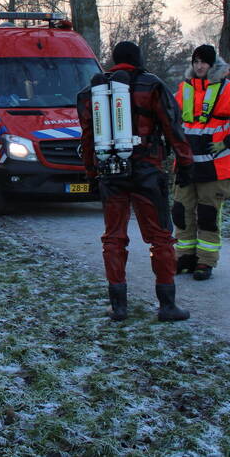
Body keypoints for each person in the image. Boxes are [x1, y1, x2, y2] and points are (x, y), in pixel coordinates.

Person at [77, 41, 195, 322]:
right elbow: (172, 126)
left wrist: (92, 174)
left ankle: (118, 306)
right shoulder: (152, 86)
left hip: (110, 172)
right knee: (160, 238)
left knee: (114, 238)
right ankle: (167, 305)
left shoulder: (92, 94)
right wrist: (186, 163)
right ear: (139, 58)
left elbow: (87, 138)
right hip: (147, 172)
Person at [172, 45, 230, 281]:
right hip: (186, 166)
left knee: (208, 215)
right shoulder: (184, 89)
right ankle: (185, 257)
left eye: (204, 62)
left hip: (215, 167)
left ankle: (206, 262)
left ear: (213, 65)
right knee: (181, 212)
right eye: (196, 61)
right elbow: (171, 119)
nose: (199, 66)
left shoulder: (229, 90)